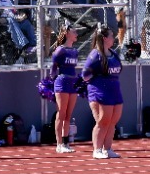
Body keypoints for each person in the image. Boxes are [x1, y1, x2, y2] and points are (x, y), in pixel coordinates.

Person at [83, 26, 123, 160]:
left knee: (113, 120)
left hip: (114, 90)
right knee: (103, 121)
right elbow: (85, 75)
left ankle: (108, 148)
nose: (114, 38)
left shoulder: (112, 52)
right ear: (105, 38)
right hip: (100, 91)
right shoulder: (95, 54)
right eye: (112, 36)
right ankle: (97, 149)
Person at [49, 23, 82, 154]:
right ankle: (59, 144)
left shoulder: (74, 51)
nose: (77, 34)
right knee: (61, 113)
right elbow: (53, 68)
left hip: (72, 82)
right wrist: (52, 81)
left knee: (68, 114)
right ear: (67, 33)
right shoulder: (60, 50)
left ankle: (66, 142)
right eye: (74, 32)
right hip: (62, 81)